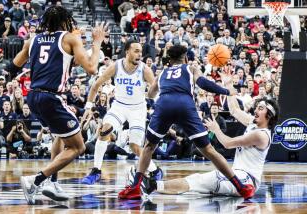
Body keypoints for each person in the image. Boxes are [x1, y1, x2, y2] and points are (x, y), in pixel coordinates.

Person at [118, 44, 255, 200]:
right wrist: (226, 91)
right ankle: (241, 187)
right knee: (208, 149)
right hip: (184, 104)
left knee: (149, 146)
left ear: (169, 59)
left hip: (164, 104)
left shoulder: (162, 72)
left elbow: (150, 94)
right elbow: (203, 83)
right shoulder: (190, 68)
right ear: (186, 58)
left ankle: (135, 187)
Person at [6, 5, 108, 204]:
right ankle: (36, 180)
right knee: (78, 147)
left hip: (33, 97)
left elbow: (15, 65)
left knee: (61, 136)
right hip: (51, 97)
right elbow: (91, 68)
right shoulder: (69, 38)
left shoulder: (33, 39)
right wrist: (96, 44)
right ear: (65, 21)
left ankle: (52, 181)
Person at [139, 93, 279, 198]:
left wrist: (216, 129)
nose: (255, 110)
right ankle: (153, 186)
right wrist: (229, 88)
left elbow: (228, 143)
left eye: (260, 108)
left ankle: (152, 186)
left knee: (198, 181)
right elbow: (235, 110)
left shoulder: (261, 135)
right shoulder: (253, 123)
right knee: (196, 182)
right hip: (237, 175)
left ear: (269, 115)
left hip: (247, 180)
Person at [81, 40, 162, 185]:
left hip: (138, 109)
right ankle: (96, 170)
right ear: (127, 52)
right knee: (104, 130)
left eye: (140, 51)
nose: (140, 54)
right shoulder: (116, 66)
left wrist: (161, 107)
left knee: (134, 146)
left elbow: (156, 92)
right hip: (119, 106)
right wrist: (88, 106)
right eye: (136, 51)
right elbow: (96, 85)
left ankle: (155, 170)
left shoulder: (145, 69)